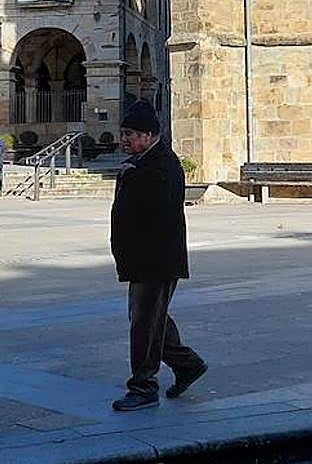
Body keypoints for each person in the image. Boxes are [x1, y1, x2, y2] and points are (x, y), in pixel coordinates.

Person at [109, 101, 207, 411]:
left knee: (144, 323)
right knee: (152, 319)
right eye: (124, 133)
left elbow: (156, 205)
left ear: (150, 135)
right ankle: (188, 364)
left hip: (156, 259)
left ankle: (143, 386)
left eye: (132, 134)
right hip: (144, 258)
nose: (125, 139)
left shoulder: (162, 165)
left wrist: (129, 177)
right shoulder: (144, 163)